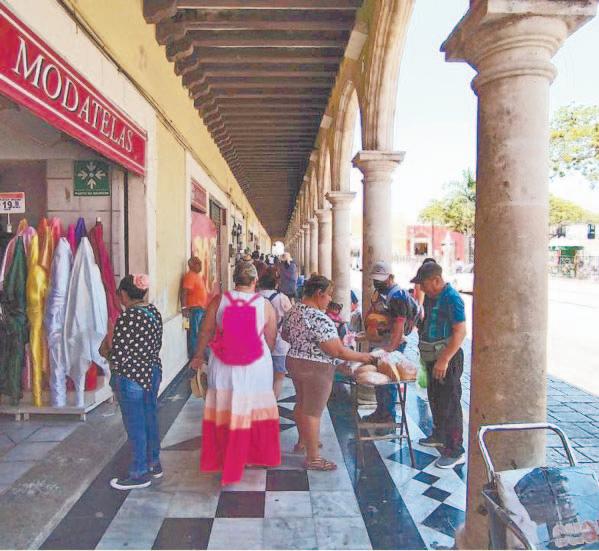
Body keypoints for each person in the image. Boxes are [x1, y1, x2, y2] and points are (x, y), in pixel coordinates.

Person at [190, 261, 280, 484]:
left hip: (224, 365)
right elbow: (271, 338)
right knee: (254, 407)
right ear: (255, 281)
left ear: (234, 279)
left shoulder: (219, 300)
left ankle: (227, 457)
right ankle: (254, 455)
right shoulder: (265, 305)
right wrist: (259, 354)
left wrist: (198, 355)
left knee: (227, 407)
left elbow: (205, 331)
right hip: (256, 365)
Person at [282, 275, 376, 471]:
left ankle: (303, 441)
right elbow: (337, 350)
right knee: (313, 412)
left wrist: (302, 344)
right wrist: (364, 357)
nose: (330, 299)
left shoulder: (294, 310)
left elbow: (285, 335)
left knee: (301, 403)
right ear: (319, 294)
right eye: (328, 295)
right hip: (316, 368)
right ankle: (313, 458)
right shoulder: (320, 318)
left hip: (294, 362)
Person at [107, 274, 163, 490]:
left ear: (124, 294)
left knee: (135, 424)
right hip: (151, 372)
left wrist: (107, 349)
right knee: (150, 419)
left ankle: (139, 472)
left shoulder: (127, 317)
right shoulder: (153, 312)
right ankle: (154, 463)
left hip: (132, 376)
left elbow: (118, 354)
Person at [411, 261, 467, 469]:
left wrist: (444, 360)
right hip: (431, 356)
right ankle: (439, 434)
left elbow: (460, 331)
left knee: (450, 402)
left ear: (436, 280)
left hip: (447, 359)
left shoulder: (452, 298)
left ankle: (455, 450)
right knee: (435, 398)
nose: (421, 288)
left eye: (424, 284)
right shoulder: (430, 297)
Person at [363, 261, 420, 424]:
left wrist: (390, 349)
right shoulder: (381, 293)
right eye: (375, 279)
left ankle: (387, 417)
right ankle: (381, 411)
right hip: (383, 341)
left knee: (388, 379)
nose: (377, 283)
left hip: (392, 343)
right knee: (379, 379)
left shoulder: (397, 296)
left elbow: (399, 325)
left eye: (380, 279)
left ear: (390, 277)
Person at [257, 271, 292, 398]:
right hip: (279, 342)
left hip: (259, 341)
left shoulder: (255, 297)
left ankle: (260, 401)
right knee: (278, 377)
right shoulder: (282, 298)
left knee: (260, 376)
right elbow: (290, 317)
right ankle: (272, 402)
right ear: (276, 284)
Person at [181, 256, 208, 360]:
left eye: (200, 264)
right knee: (193, 333)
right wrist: (184, 308)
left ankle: (198, 354)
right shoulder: (190, 276)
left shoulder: (196, 275)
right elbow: (184, 293)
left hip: (199, 309)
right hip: (193, 309)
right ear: (191, 265)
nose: (200, 266)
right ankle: (194, 356)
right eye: (198, 264)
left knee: (199, 333)